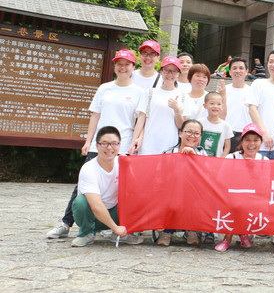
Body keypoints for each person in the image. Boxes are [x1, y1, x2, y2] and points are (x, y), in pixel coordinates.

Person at [47, 49, 147, 240]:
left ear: (133, 67)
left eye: (127, 64)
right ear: (115, 67)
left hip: (122, 146)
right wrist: (88, 141)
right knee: (82, 186)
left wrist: (135, 142)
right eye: (119, 64)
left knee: (121, 188)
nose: (123, 67)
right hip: (99, 145)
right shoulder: (104, 88)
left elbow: (140, 119)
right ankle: (66, 223)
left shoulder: (139, 92)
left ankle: (115, 227)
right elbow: (95, 115)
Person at [70, 126, 144, 247]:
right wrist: (115, 227)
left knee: (139, 195)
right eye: (104, 143)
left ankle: (122, 235)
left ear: (119, 146)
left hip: (116, 213)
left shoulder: (124, 163)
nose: (109, 148)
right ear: (97, 146)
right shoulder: (89, 169)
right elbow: (96, 206)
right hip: (94, 217)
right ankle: (86, 233)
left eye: (114, 144)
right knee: (80, 202)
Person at [215, 123, 268, 252]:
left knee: (245, 203)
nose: (252, 144)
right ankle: (228, 238)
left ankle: (243, 231)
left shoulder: (264, 160)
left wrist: (254, 170)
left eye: (256, 140)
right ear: (242, 142)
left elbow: (266, 184)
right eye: (248, 140)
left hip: (254, 197)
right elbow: (221, 179)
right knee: (236, 203)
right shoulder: (232, 157)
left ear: (261, 142)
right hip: (231, 195)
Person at [156, 119, 208, 247]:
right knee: (172, 197)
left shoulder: (202, 153)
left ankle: (191, 229)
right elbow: (160, 178)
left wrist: (194, 157)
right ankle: (167, 231)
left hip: (194, 192)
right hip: (171, 192)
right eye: (189, 132)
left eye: (196, 133)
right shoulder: (168, 153)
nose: (192, 136)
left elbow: (206, 177)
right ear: (180, 133)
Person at [130, 56, 183, 156]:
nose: (170, 74)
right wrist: (134, 141)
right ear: (161, 71)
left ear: (178, 74)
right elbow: (141, 119)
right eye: (166, 70)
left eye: (174, 71)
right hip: (148, 145)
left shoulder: (182, 96)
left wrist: (177, 110)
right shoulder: (149, 92)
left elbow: (181, 126)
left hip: (170, 146)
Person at [225, 57, 252, 152]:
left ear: (246, 71)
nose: (238, 71)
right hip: (226, 134)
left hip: (246, 134)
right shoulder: (223, 90)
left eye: (241, 68)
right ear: (230, 72)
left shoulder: (252, 92)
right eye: (234, 68)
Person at [198, 92, 233, 157]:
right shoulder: (200, 122)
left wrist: (222, 159)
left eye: (219, 104)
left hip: (217, 160)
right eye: (212, 103)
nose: (215, 106)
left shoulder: (225, 125)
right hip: (200, 158)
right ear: (205, 105)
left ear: (222, 106)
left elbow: (227, 147)